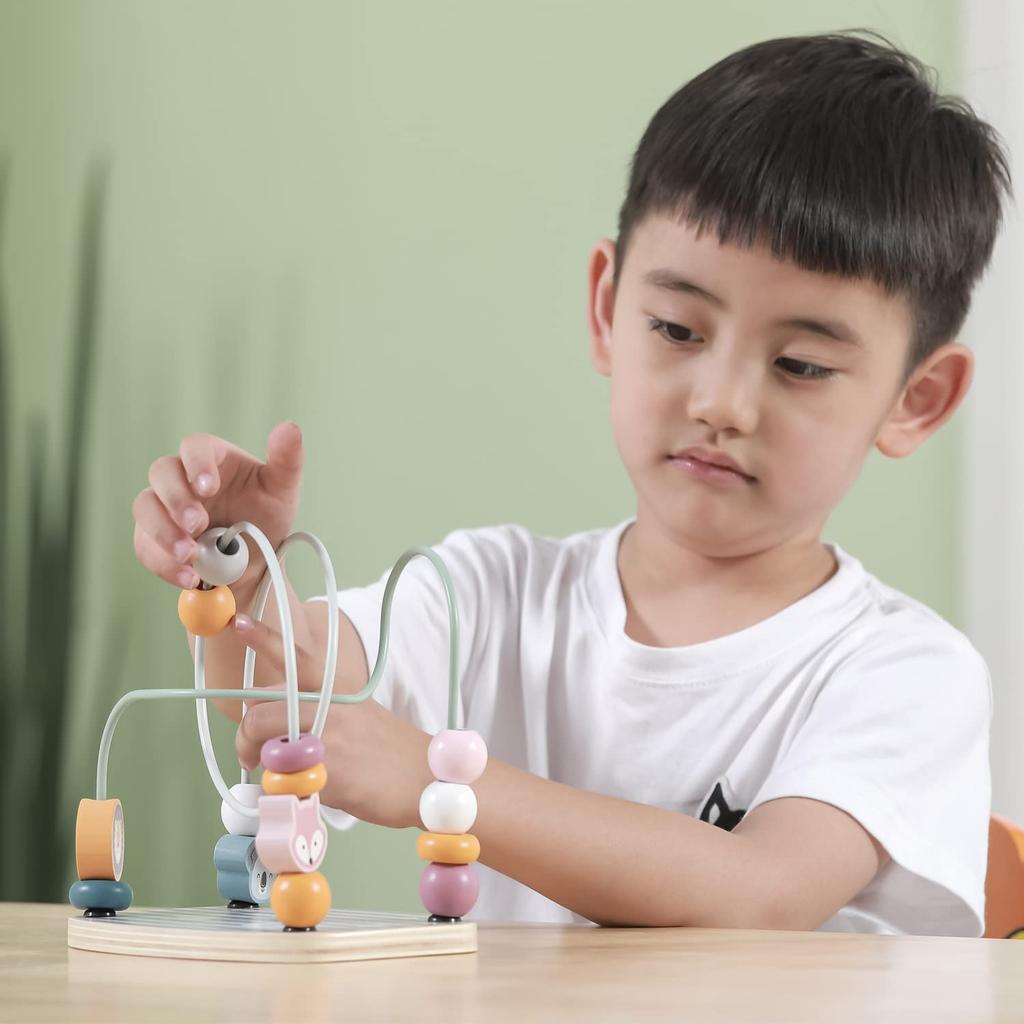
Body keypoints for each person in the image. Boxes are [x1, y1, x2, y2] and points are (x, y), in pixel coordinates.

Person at [132, 30, 1012, 935]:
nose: (722, 403)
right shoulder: (490, 595)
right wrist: (241, 569)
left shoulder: (906, 674)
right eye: (677, 329)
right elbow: (286, 703)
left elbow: (763, 894)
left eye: (798, 365)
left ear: (916, 400)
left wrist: (440, 777)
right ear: (606, 309)